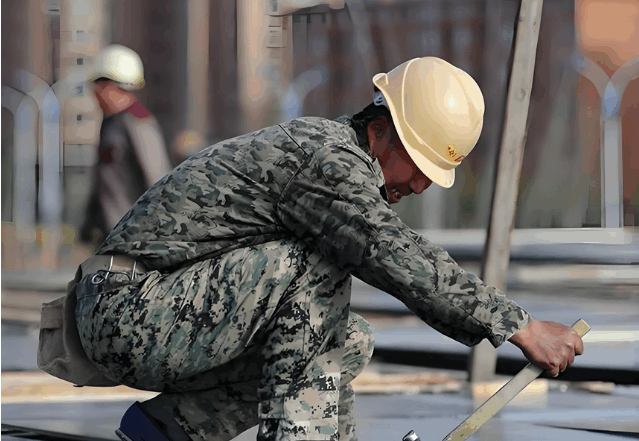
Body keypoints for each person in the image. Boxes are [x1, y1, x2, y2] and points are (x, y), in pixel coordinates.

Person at [40, 57, 583, 441]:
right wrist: (519, 326)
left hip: (158, 311)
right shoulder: (328, 164)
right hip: (129, 309)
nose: (420, 186)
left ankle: (172, 427)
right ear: (385, 131)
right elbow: (393, 253)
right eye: (421, 166)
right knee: (317, 266)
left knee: (348, 339)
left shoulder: (336, 159)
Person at [80, 44, 172, 246]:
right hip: (111, 235)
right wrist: (88, 226)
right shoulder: (110, 124)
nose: (94, 95)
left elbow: (158, 180)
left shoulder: (138, 123)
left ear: (109, 86)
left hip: (134, 238)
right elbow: (104, 184)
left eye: (97, 87)